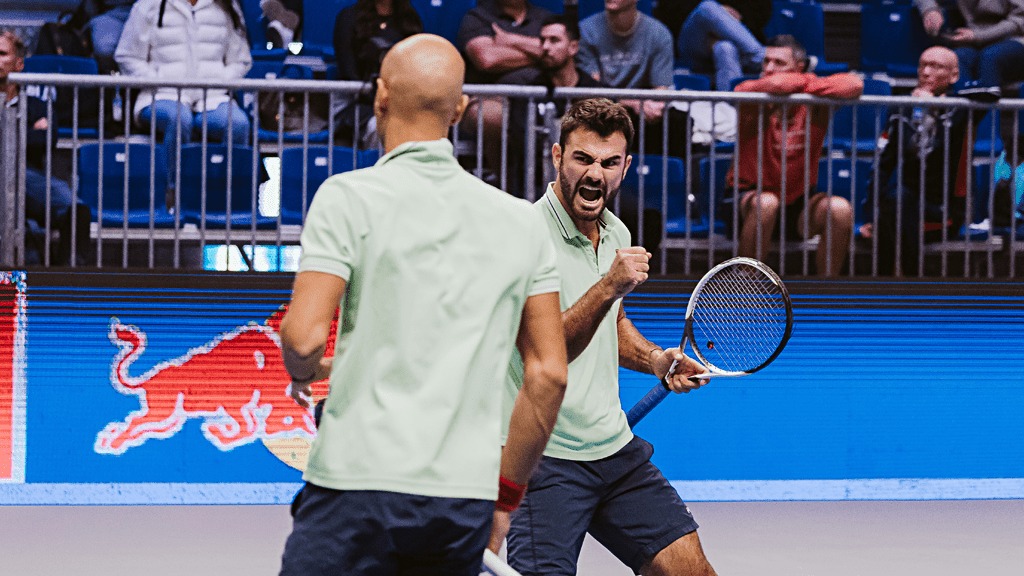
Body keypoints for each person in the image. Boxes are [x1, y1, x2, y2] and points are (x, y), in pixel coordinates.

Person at [277, 34, 568, 575]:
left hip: (354, 488)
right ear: (459, 110)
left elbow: (303, 337)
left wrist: (302, 369)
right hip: (462, 501)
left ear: (380, 96)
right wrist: (503, 501)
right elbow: (549, 374)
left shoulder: (348, 197)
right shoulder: (522, 222)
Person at [500, 97, 717, 576]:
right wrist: (609, 285)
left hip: (615, 451)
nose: (595, 174)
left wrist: (658, 359)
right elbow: (543, 351)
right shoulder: (523, 236)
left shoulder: (616, 230)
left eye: (609, 162)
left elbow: (612, 325)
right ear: (557, 156)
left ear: (626, 167)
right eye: (582, 159)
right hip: (542, 459)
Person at [727, 35, 862, 277]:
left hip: (797, 202)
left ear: (798, 68)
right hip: (748, 200)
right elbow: (771, 86)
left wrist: (800, 85)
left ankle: (826, 292)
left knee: (840, 209)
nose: (768, 69)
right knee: (767, 203)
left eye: (779, 63)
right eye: (766, 61)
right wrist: (807, 82)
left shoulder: (812, 102)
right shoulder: (752, 95)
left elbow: (854, 85)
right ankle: (745, 286)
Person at [861, 47, 979, 276]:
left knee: (895, 207)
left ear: (954, 76)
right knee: (895, 202)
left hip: (944, 209)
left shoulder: (963, 107)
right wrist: (869, 214)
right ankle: (899, 285)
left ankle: (902, 285)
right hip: (904, 201)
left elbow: (991, 91)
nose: (926, 71)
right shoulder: (902, 107)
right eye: (922, 65)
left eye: (936, 66)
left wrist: (935, 106)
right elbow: (883, 163)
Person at [115, 0, 252, 187]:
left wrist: (220, 80)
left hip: (213, 98)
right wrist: (158, 80)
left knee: (238, 124)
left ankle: (226, 196)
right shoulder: (147, 5)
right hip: (160, 95)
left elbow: (241, 60)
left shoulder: (225, 5)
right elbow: (126, 55)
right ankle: (174, 192)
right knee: (179, 119)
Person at [0, 30, 90, 266]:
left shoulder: (38, 105)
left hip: (27, 177)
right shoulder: (36, 115)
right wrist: (30, 132)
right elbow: (36, 139)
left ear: (19, 64)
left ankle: (68, 282)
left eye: (2, 54)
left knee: (77, 211)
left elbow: (47, 140)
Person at [577, 0, 688, 156]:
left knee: (676, 122)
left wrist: (649, 106)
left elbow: (660, 92)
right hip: (602, 108)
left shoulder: (658, 33)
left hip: (642, 111)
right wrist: (634, 103)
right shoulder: (586, 30)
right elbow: (594, 89)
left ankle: (665, 176)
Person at [458, 0, 554, 178]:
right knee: (492, 117)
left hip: (541, 100)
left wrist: (510, 40)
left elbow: (560, 51)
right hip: (491, 99)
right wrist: (539, 53)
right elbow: (487, 59)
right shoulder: (478, 17)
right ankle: (506, 189)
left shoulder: (545, 18)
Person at [332, 0, 422, 149]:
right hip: (360, 101)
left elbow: (415, 67)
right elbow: (347, 69)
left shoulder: (410, 19)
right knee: (378, 127)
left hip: (401, 100)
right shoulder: (349, 17)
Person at [916, 0, 1024, 91]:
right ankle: (960, 113)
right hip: (973, 40)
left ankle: (988, 112)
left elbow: (1019, 20)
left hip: (1014, 38)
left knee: (990, 57)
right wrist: (930, 10)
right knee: (956, 58)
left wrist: (978, 36)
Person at [677, 0, 770, 91]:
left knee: (725, 48)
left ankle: (730, 104)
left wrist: (737, 18)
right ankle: (762, 57)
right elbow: (674, 14)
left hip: (741, 45)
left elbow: (763, 13)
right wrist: (718, 14)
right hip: (697, 41)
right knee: (707, 7)